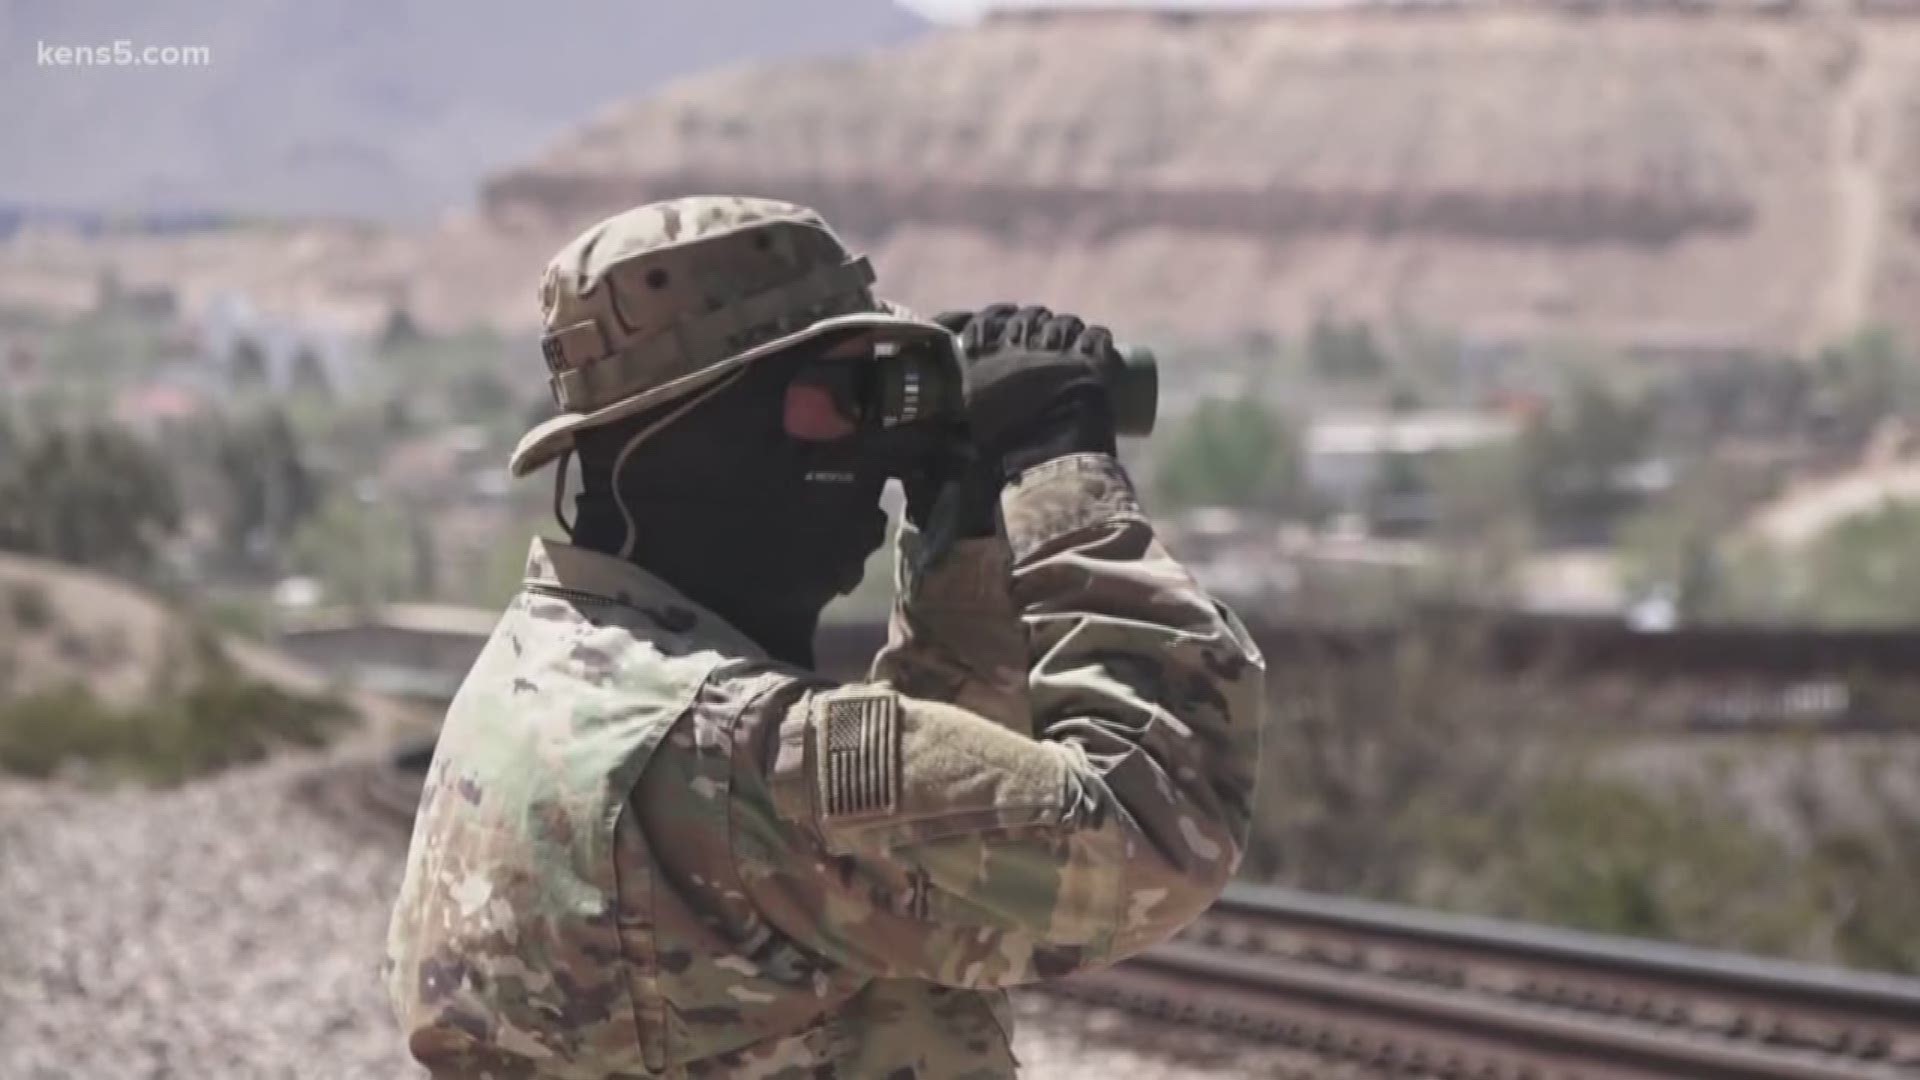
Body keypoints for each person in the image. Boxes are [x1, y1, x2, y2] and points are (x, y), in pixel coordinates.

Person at [385, 195, 1265, 1078]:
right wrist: (1061, 470)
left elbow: (927, 824)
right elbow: (1157, 827)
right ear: (703, 427)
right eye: (844, 398)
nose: (877, 450)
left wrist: (963, 537)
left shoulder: (535, 680)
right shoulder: (748, 756)